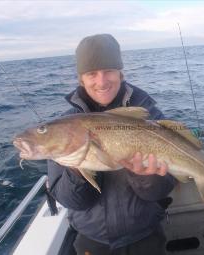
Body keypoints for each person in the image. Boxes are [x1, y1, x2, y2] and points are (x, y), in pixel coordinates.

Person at [47, 34, 177, 255]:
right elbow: (72, 201)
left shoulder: (148, 114)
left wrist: (146, 177)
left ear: (120, 72)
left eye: (108, 70)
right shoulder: (65, 127)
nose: (101, 81)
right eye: (91, 74)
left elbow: (162, 190)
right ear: (81, 79)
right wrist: (77, 171)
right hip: (93, 241)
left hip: (146, 236)